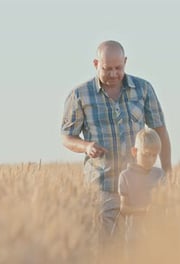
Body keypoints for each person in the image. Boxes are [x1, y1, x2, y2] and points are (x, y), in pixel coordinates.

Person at [60, 40, 172, 241]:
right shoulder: (79, 95)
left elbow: (160, 131)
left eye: (118, 68)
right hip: (102, 185)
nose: (113, 74)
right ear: (96, 64)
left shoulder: (143, 89)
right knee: (106, 248)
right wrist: (86, 146)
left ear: (125, 62)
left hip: (139, 187)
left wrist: (167, 173)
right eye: (107, 68)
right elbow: (67, 137)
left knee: (139, 247)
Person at [116, 128, 165, 244]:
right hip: (134, 237)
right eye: (147, 154)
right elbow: (123, 208)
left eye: (155, 155)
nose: (151, 159)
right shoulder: (125, 176)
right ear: (134, 152)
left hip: (156, 235)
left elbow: (165, 202)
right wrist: (143, 210)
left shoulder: (160, 174)